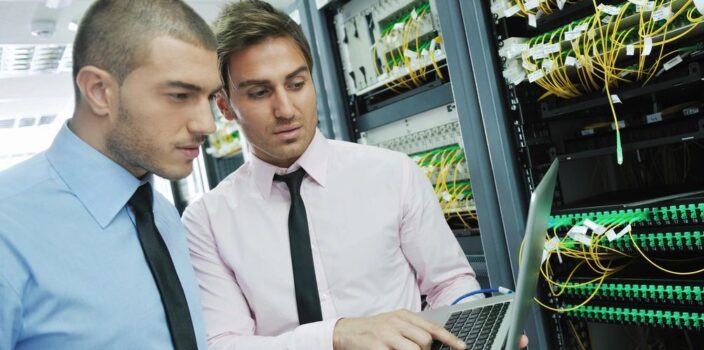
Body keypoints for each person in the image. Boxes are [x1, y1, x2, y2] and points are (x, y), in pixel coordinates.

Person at [181, 1, 488, 349]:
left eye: (296, 84)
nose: (285, 109)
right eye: (260, 93)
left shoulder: (392, 173)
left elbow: (449, 283)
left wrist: (471, 333)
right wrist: (335, 336)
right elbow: (223, 343)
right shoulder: (206, 221)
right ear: (225, 106)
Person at [0, 1, 223, 349]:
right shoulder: (7, 228)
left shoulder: (161, 216)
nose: (206, 124)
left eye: (209, 97)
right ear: (99, 92)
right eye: (180, 95)